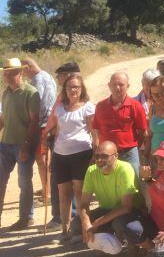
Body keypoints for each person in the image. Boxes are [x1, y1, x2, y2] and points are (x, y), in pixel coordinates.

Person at [44, 73, 96, 239]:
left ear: (82, 89)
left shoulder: (88, 107)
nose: (73, 90)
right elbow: (59, 131)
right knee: (63, 193)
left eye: (76, 87)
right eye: (69, 87)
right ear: (64, 90)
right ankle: (65, 231)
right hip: (61, 154)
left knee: (80, 193)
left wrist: (95, 154)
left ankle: (83, 230)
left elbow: (94, 132)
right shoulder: (59, 109)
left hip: (81, 153)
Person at [79, 141, 143, 254]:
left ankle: (133, 247)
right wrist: (86, 223)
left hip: (131, 211)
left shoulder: (125, 169)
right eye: (96, 156)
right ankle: (105, 248)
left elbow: (126, 207)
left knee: (121, 225)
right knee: (77, 225)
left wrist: (97, 223)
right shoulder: (91, 170)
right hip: (107, 209)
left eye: (104, 156)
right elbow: (84, 203)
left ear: (116, 156)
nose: (99, 159)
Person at [0, 57, 40, 230]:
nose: (7, 76)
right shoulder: (6, 92)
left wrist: (25, 145)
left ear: (20, 73)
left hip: (22, 145)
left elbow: (34, 121)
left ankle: (26, 218)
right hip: (5, 144)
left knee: (24, 182)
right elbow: (4, 119)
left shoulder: (31, 93)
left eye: (11, 73)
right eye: (5, 73)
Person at [21, 57, 57, 221]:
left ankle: (47, 192)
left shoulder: (37, 80)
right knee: (45, 158)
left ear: (27, 67)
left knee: (41, 159)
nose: (23, 74)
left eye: (22, 70)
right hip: (50, 121)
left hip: (42, 123)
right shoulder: (48, 76)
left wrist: (32, 124)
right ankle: (47, 188)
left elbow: (38, 103)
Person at [92, 72, 148, 175]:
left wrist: (132, 146)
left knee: (133, 181)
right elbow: (96, 129)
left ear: (128, 86)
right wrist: (96, 150)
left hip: (129, 153)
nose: (117, 88)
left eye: (121, 85)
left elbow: (143, 132)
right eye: (114, 84)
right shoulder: (100, 106)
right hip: (105, 155)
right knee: (106, 182)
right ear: (109, 85)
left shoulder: (135, 106)